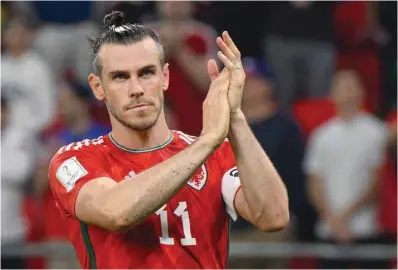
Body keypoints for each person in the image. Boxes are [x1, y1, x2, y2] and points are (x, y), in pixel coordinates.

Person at [48, 11, 289, 269]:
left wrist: (235, 118)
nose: (136, 88)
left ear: (165, 77)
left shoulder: (216, 154)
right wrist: (207, 141)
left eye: (146, 73)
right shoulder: (74, 160)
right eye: (120, 77)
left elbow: (273, 217)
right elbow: (116, 212)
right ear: (98, 87)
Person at [305, 70, 390, 269]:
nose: (348, 92)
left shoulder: (377, 132)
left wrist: (345, 216)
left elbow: (377, 183)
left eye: (353, 86)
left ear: (362, 92)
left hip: (368, 229)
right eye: (342, 87)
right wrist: (332, 219)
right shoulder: (321, 135)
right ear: (331, 94)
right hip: (329, 230)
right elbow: (314, 184)